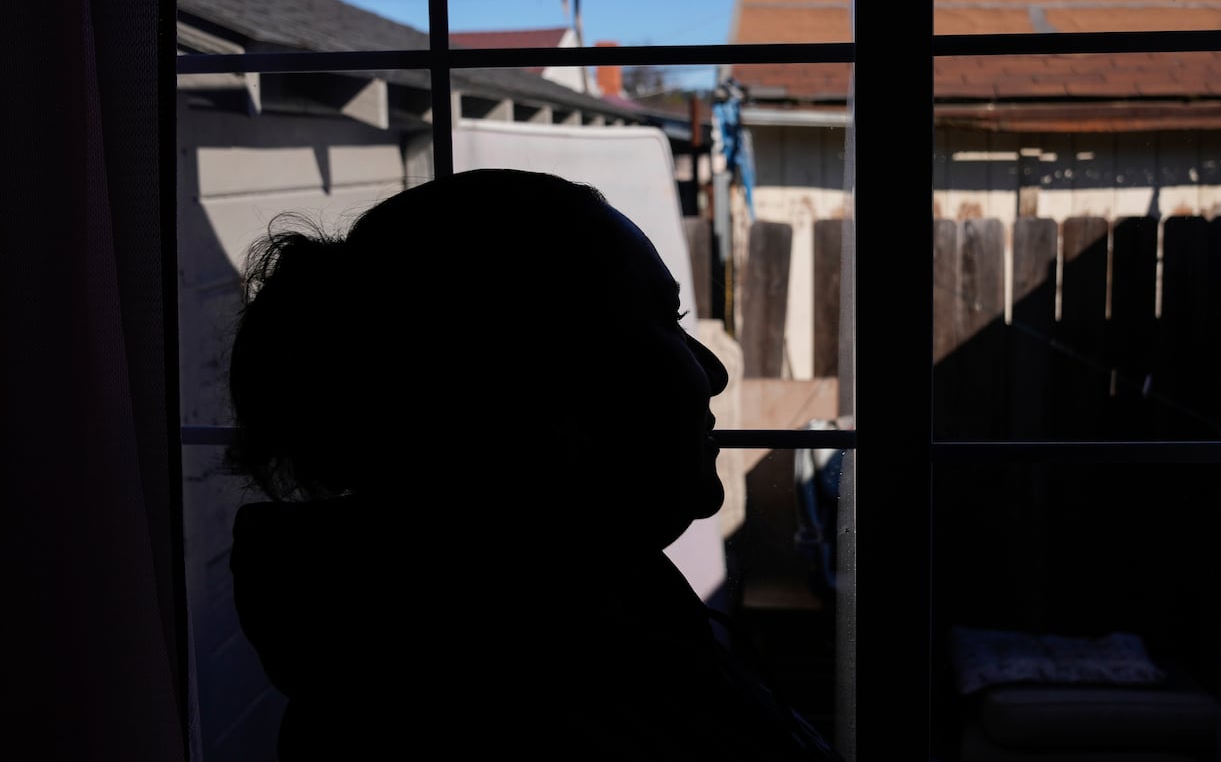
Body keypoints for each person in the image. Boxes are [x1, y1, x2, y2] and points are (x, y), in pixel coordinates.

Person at [224, 168, 844, 760]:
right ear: (524, 391)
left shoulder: (596, 626)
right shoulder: (511, 717)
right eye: (661, 319)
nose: (712, 370)